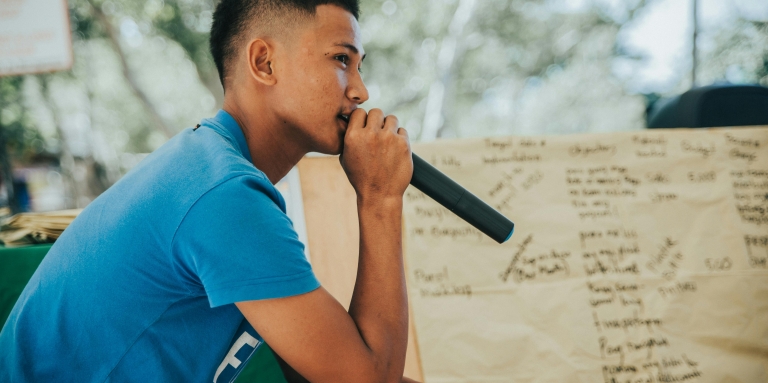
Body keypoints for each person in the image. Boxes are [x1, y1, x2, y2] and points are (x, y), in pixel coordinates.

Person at [0, 0, 419, 382]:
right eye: (341, 59)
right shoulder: (223, 196)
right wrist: (380, 198)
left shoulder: (208, 165)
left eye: (359, 66)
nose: (361, 91)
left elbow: (320, 370)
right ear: (264, 62)